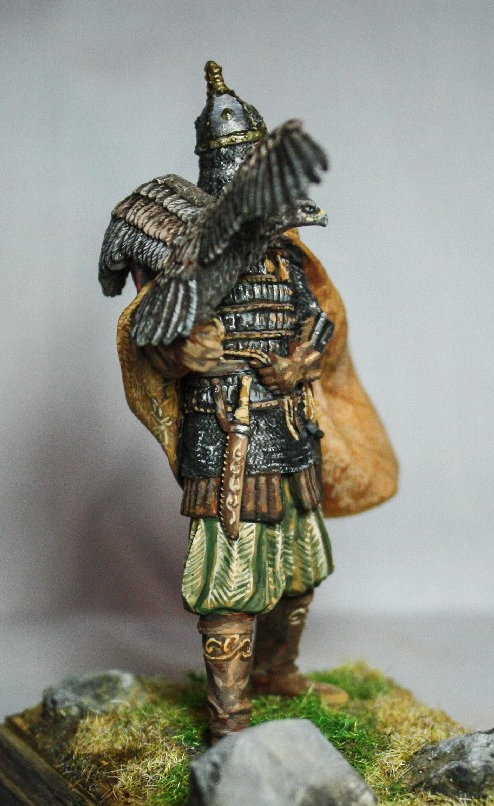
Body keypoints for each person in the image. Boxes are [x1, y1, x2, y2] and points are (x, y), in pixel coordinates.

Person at [100, 62, 398, 742]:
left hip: (290, 431)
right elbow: (151, 334)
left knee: (299, 572)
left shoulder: (286, 257)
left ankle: (276, 673)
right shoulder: (186, 259)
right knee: (229, 582)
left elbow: (315, 320)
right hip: (227, 437)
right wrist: (183, 352)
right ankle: (229, 719)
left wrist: (304, 359)